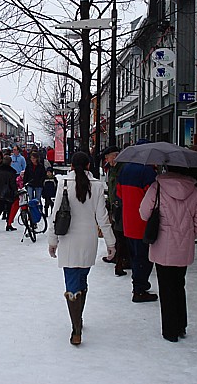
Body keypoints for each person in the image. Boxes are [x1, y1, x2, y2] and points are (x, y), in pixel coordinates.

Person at [48, 152, 116, 346]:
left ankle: (76, 327)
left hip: (68, 238)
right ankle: (79, 319)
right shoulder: (96, 186)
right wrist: (111, 243)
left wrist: (52, 240)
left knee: (71, 280)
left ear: (71, 166)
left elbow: (56, 214)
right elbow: (103, 218)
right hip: (88, 239)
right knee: (82, 278)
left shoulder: (64, 184)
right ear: (89, 165)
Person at [140, 166, 197, 342]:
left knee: (165, 286)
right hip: (183, 246)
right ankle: (180, 325)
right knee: (179, 284)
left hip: (162, 244)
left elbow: (144, 213)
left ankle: (169, 330)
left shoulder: (157, 187)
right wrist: (189, 234)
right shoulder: (195, 191)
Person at [117, 150, 159, 300]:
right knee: (144, 258)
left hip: (128, 220)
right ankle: (139, 289)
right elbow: (153, 197)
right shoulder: (148, 172)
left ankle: (139, 285)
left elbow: (119, 193)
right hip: (143, 222)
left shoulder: (125, 169)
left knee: (135, 256)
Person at [103, 145, 130, 277]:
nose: (106, 159)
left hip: (122, 205)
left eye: (108, 156)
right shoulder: (112, 169)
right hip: (115, 205)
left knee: (121, 234)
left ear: (114, 156)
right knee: (116, 232)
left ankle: (122, 259)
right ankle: (117, 256)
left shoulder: (122, 168)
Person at [0, 155, 17, 233]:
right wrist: (15, 190)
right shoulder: (12, 172)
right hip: (8, 193)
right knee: (9, 209)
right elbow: (12, 183)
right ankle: (8, 225)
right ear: (10, 163)